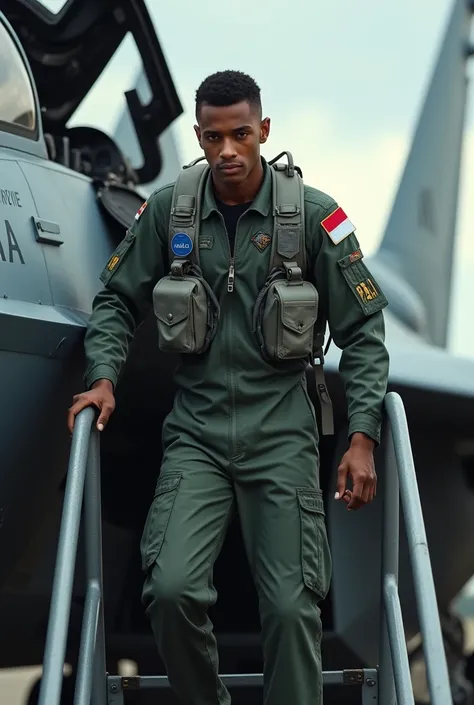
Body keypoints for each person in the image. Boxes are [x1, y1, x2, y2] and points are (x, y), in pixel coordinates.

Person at [68, 70, 390, 705]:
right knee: (171, 591)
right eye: (213, 138)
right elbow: (113, 303)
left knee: (294, 612)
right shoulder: (168, 211)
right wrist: (102, 379)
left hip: (283, 438)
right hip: (198, 438)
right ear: (199, 136)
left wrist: (362, 437)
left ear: (264, 131)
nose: (228, 152)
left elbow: (365, 330)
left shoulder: (317, 217)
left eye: (241, 134)